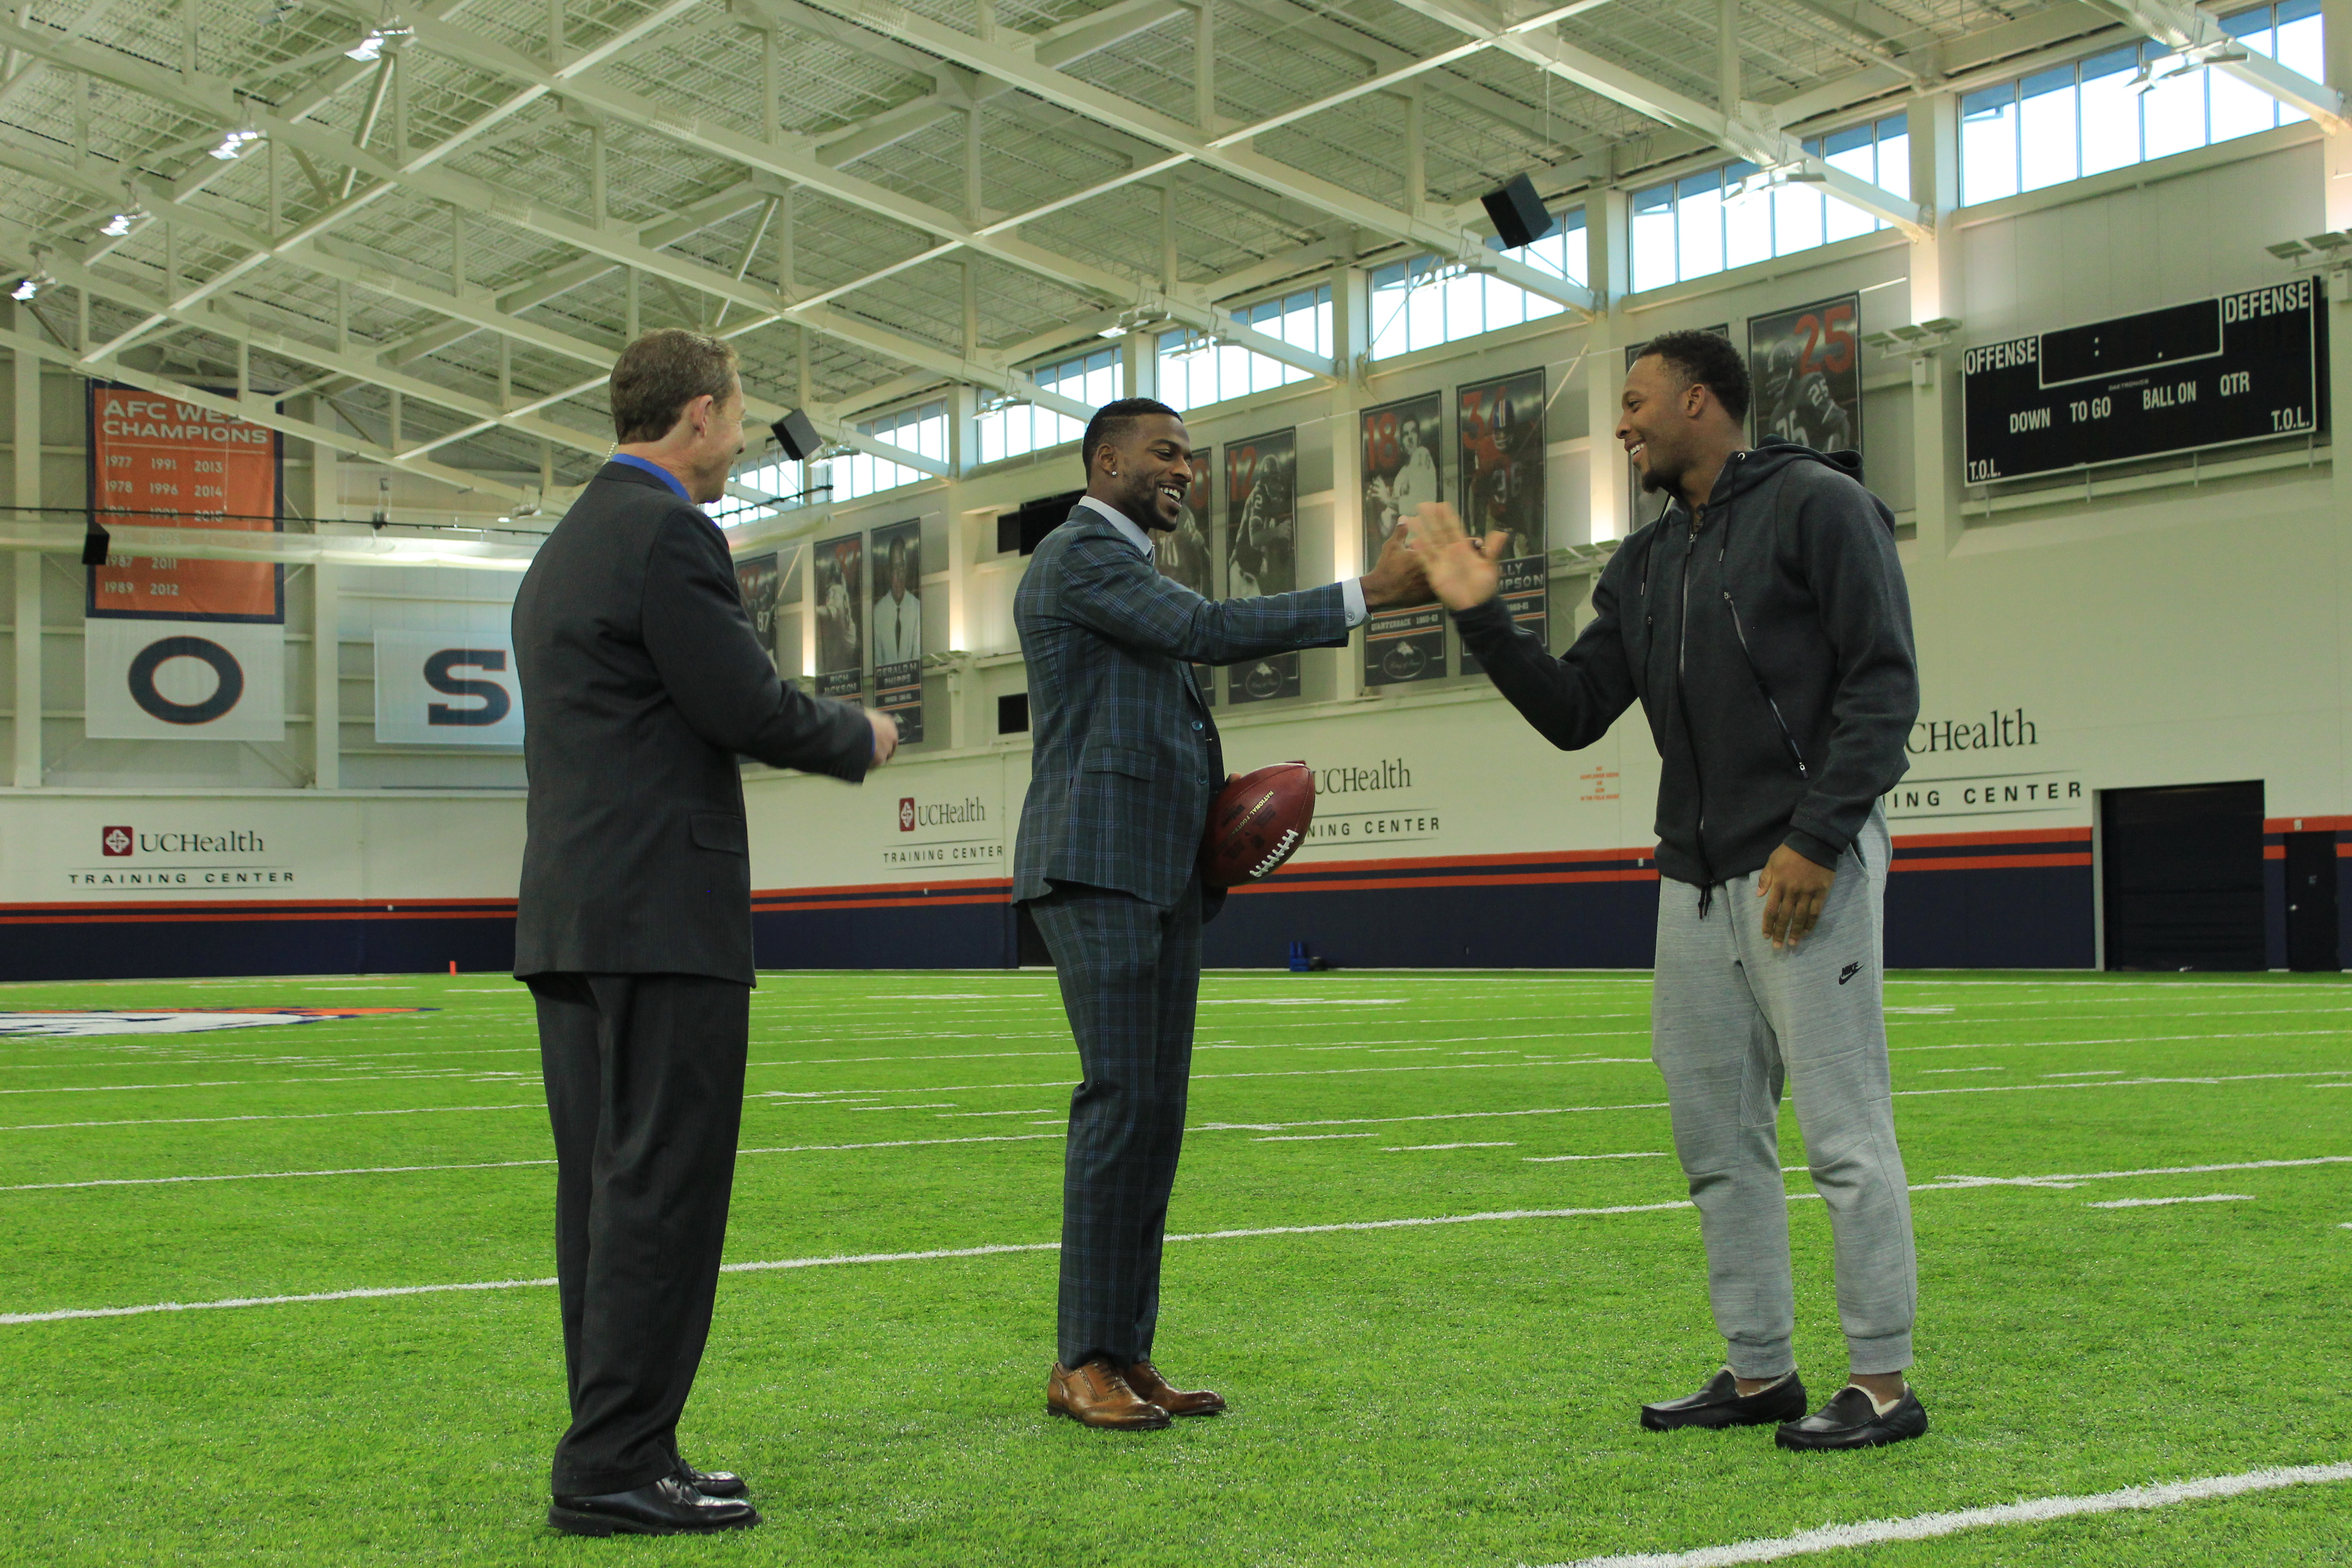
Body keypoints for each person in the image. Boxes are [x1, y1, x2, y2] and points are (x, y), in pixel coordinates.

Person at [1406, 330, 1927, 1452]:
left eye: (1636, 403)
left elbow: (1882, 685)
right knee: (1715, 1140)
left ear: (1699, 402)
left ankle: (1881, 1381)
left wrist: (1817, 835)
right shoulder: (1642, 564)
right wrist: (1479, 612)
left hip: (1803, 866)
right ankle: (1758, 1372)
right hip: (1691, 883)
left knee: (1842, 1135)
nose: (1623, 423)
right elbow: (1571, 710)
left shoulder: (1817, 504)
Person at [512, 329, 899, 1536]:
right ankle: (617, 1465)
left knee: (607, 1198)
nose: (743, 438)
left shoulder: (565, 546)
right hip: (659, 919)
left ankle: (624, 1448)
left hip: (575, 916)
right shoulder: (669, 531)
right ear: (696, 415)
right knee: (662, 1194)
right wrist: (858, 736)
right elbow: (737, 701)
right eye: (737, 416)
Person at [1014, 397, 1431, 1430]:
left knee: (1153, 1117)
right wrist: (1364, 592)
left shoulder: (1132, 569)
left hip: (1157, 873)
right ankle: (1079, 1360)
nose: (1183, 472)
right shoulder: (1080, 555)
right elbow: (1204, 631)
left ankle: (1124, 1348)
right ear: (1103, 459)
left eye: (1190, 459)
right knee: (1119, 1104)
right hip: (1100, 868)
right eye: (1164, 453)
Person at [872, 537, 921, 666]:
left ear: (906, 569)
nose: (899, 576)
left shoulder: (916, 608)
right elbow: (877, 661)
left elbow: (917, 657)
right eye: (895, 569)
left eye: (902, 568)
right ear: (889, 572)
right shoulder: (879, 612)